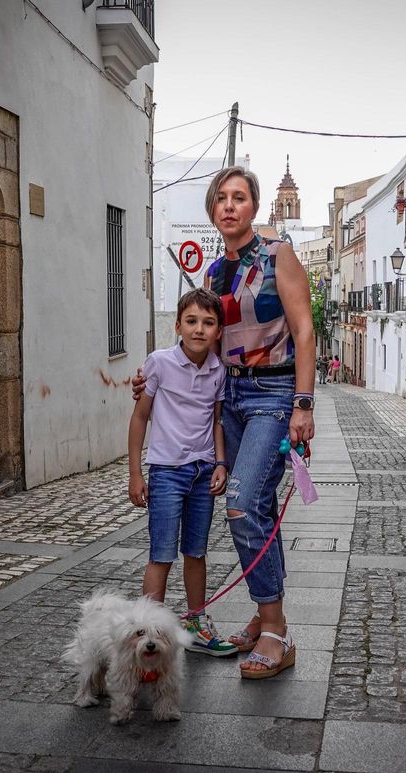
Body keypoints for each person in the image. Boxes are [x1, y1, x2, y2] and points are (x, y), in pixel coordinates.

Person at [133, 166, 316, 679]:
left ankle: (278, 630)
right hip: (229, 395)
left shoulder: (280, 256)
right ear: (213, 211)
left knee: (239, 501)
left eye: (240, 198)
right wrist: (153, 374)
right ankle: (261, 614)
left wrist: (304, 404)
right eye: (221, 199)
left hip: (275, 394)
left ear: (254, 207)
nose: (230, 206)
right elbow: (200, 341)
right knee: (251, 503)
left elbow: (304, 331)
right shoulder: (214, 274)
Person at [127, 288, 238, 658]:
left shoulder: (218, 371)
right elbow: (140, 417)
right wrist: (135, 474)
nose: (199, 329)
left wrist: (221, 463)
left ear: (218, 331)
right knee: (161, 553)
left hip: (203, 471)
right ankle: (146, 632)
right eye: (191, 321)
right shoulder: (159, 363)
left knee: (196, 551)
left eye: (208, 323)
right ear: (177, 325)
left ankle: (195, 621)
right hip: (167, 473)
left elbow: (217, 420)